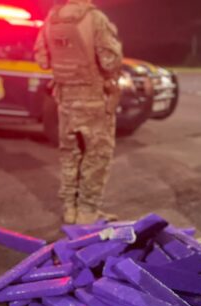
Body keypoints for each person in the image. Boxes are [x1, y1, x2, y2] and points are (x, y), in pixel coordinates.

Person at [34, 0, 123, 224]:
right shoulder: (94, 18)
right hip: (93, 100)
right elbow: (110, 61)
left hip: (65, 101)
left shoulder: (51, 20)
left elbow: (42, 60)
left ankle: (69, 209)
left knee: (69, 155)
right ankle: (87, 211)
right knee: (96, 156)